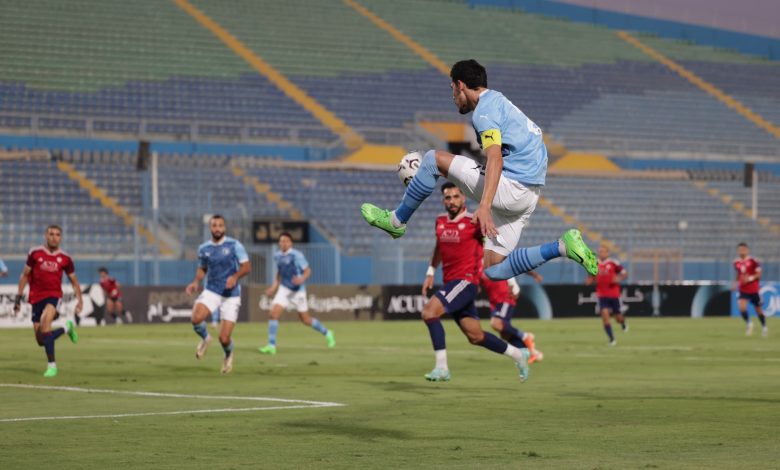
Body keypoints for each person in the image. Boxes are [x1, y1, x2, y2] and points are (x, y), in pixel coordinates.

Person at [361, 59, 597, 283]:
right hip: (529, 194)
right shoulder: (499, 102)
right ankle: (562, 247)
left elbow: (495, 157)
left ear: (461, 85)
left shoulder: (484, 112)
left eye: (452, 89)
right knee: (492, 269)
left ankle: (396, 221)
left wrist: (484, 206)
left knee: (432, 160)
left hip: (512, 187)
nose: (453, 96)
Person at [420, 182, 532, 383]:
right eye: (448, 197)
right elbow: (439, 247)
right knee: (476, 336)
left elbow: (497, 248)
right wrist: (430, 272)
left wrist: (511, 280)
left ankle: (442, 367)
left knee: (429, 312)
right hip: (450, 283)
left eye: (456, 197)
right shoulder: (439, 222)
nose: (452, 201)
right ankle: (518, 354)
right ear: (443, 200)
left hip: (466, 281)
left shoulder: (475, 222)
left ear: (463, 198)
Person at [185, 215, 250, 374]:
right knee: (196, 318)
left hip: (231, 294)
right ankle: (206, 339)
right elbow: (202, 269)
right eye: (214, 225)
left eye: (220, 225)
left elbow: (246, 267)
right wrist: (195, 282)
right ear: (210, 228)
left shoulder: (234, 245)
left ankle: (228, 355)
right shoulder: (203, 248)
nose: (217, 228)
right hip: (212, 290)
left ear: (224, 228)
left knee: (224, 338)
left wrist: (235, 277)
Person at [13, 225, 81, 377]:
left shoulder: (65, 258)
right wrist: (18, 298)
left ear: (60, 237)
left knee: (45, 325)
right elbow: (24, 275)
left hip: (54, 295)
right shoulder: (35, 253)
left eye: (57, 235)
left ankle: (52, 366)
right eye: (51, 234)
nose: (54, 237)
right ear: (46, 235)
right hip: (36, 297)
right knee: (41, 340)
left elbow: (74, 281)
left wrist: (80, 300)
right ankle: (66, 328)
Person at [260, 232, 335, 355]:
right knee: (273, 314)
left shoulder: (297, 255)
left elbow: (307, 270)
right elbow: (279, 273)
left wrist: (302, 279)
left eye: (286, 241)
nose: (283, 243)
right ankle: (271, 345)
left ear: (290, 243)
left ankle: (327, 333)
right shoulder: (277, 256)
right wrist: (273, 287)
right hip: (284, 289)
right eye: (281, 241)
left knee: (305, 320)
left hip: (297, 291)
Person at [481, 271, 543, 363]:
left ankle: (526, 336)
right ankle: (532, 353)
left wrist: (534, 275)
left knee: (496, 324)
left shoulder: (492, 258)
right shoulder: (477, 262)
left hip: (505, 294)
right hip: (494, 299)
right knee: (504, 333)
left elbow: (513, 264)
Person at [585, 244, 628, 346]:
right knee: (605, 315)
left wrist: (618, 279)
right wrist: (589, 280)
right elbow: (591, 276)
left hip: (614, 294)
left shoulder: (613, 263)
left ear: (608, 253)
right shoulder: (594, 263)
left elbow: (624, 273)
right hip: (602, 294)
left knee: (618, 317)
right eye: (600, 251)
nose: (601, 253)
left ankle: (622, 323)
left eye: (603, 251)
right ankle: (612, 339)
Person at [733, 242, 767, 337]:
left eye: (743, 249)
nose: (741, 251)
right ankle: (749, 323)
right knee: (742, 307)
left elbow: (759, 274)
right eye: (740, 250)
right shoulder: (736, 262)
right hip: (743, 289)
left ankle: (764, 327)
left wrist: (750, 278)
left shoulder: (753, 261)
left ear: (747, 250)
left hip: (754, 289)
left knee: (758, 310)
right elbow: (738, 274)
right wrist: (735, 283)